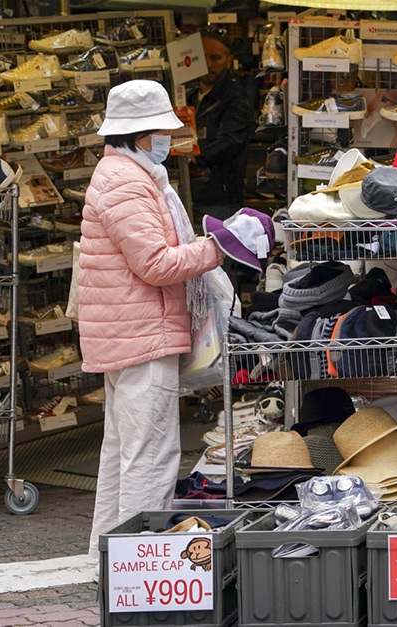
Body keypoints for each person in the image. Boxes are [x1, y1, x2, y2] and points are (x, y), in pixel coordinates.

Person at [79, 80, 226, 561]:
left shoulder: (127, 174)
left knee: (123, 454)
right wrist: (217, 248)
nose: (169, 139)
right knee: (151, 456)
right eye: (162, 131)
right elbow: (157, 264)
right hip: (141, 332)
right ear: (141, 136)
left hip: (128, 332)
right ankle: (136, 565)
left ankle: (108, 560)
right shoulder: (127, 181)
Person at [188, 29, 253, 219]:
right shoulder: (190, 96)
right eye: (202, 57)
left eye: (215, 58)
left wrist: (194, 158)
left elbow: (230, 141)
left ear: (228, 59)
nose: (208, 64)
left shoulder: (236, 99)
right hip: (191, 192)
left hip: (220, 199)